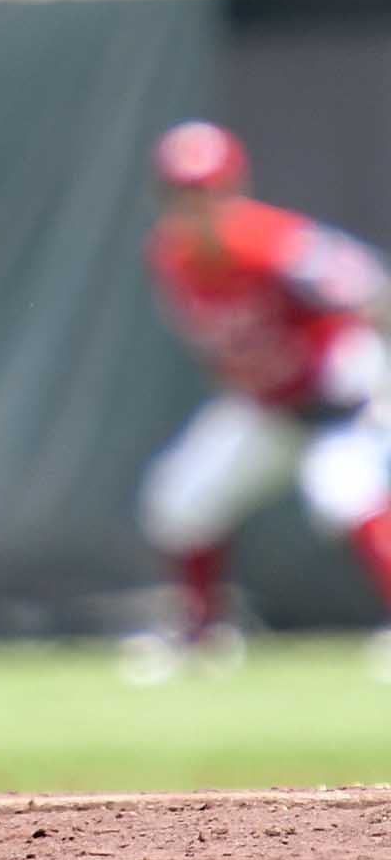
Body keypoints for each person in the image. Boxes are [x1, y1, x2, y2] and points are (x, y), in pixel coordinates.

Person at [122, 119, 391, 685]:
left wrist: (369, 376)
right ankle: (201, 635)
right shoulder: (169, 259)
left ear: (232, 189)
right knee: (180, 498)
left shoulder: (275, 243)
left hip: (335, 398)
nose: (196, 207)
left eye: (206, 191)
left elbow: (372, 291)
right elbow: (215, 343)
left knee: (348, 497)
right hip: (266, 405)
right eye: (182, 194)